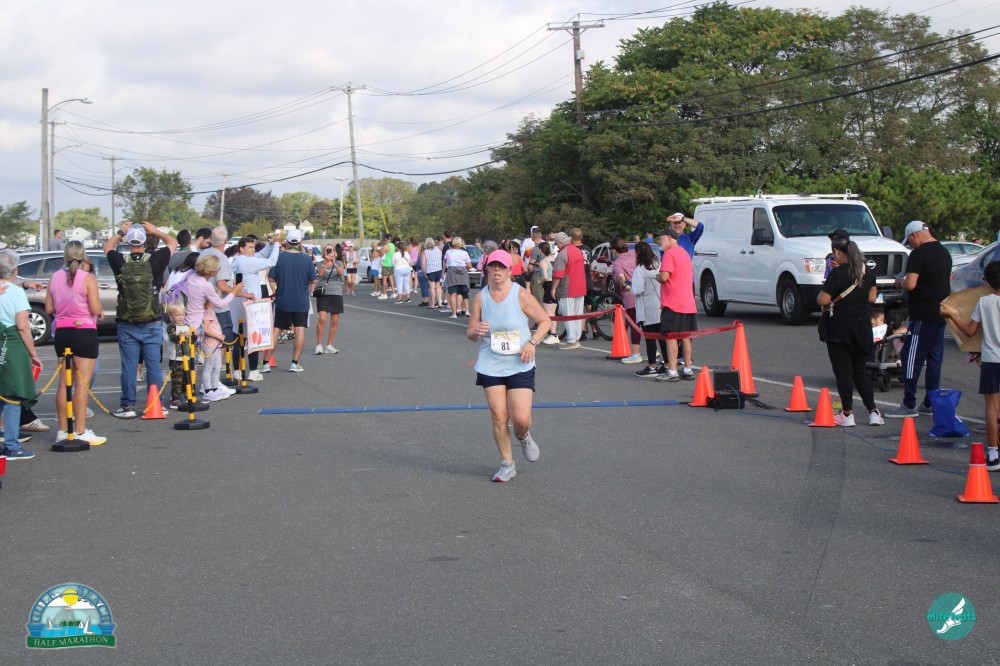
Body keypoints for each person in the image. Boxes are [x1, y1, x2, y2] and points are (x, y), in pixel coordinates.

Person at [467, 250, 552, 482]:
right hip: (490, 363)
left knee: (521, 419)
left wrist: (532, 343)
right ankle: (507, 464)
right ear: (486, 269)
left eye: (501, 267)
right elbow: (470, 332)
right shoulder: (480, 297)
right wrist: (476, 331)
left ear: (509, 270)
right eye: (493, 266)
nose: (496, 270)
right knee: (499, 416)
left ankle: (523, 436)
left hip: (520, 362)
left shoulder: (520, 294)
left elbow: (545, 321)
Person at [104, 221, 177, 419]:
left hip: (127, 322)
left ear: (128, 241)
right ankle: (156, 403)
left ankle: (127, 405)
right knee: (154, 366)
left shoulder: (119, 260)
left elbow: (107, 246)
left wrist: (120, 232)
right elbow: (172, 242)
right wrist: (155, 230)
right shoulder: (156, 259)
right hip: (151, 320)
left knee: (129, 367)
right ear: (145, 240)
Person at [885, 221, 952, 418]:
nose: (911, 244)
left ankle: (909, 403)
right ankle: (930, 402)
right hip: (941, 312)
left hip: (922, 313)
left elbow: (911, 284)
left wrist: (900, 282)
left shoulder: (919, 254)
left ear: (914, 235)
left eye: (910, 241)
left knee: (910, 357)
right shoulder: (944, 252)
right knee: (934, 359)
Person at [44, 241, 107, 445]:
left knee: (63, 383)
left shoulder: (54, 277)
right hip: (84, 332)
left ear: (64, 256)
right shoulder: (87, 278)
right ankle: (80, 430)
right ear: (83, 256)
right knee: (82, 384)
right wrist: (98, 312)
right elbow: (95, 308)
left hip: (62, 332)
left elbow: (49, 309)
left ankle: (63, 430)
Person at [817, 235, 883, 426]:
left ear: (837, 252)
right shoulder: (867, 272)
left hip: (840, 328)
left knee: (843, 372)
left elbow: (823, 300)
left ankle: (847, 414)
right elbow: (872, 298)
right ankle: (873, 412)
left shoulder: (837, 274)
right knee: (859, 370)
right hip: (862, 327)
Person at [941, 260, 1000, 470]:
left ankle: (993, 453)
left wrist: (952, 315)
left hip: (992, 359)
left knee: (992, 408)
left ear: (988, 282)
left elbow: (969, 331)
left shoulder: (984, 302)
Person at [0, 250, 42, 459]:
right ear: (15, 270)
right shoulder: (15, 293)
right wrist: (33, 353)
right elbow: (23, 326)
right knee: (13, 395)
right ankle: (11, 444)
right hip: (12, 345)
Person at [184, 254, 243, 401]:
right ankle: (202, 391)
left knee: (190, 361)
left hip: (188, 321)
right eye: (217, 268)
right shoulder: (206, 285)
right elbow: (220, 304)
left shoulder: (191, 278)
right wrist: (234, 292)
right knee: (199, 362)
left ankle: (195, 391)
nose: (219, 270)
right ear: (210, 271)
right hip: (198, 325)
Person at [230, 233, 282, 379]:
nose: (253, 249)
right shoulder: (248, 262)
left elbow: (260, 255)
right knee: (253, 338)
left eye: (253, 247)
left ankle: (237, 371)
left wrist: (270, 244)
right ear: (241, 249)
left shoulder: (237, 259)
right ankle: (253, 371)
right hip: (250, 303)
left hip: (238, 302)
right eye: (250, 247)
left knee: (238, 337)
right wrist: (277, 245)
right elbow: (272, 261)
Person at [269, 229, 317, 372]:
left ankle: (265, 362)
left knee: (277, 329)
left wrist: (275, 291)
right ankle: (294, 363)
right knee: (300, 329)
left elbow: (271, 278)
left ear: (287, 242)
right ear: (300, 242)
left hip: (283, 299)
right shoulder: (306, 258)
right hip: (301, 300)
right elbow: (313, 279)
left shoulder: (280, 257)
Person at [655, 228, 697, 381]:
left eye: (661, 239)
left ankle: (672, 371)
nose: (659, 242)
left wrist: (657, 276)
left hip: (673, 303)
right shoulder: (684, 253)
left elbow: (664, 277)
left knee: (671, 336)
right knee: (686, 337)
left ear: (668, 237)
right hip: (688, 303)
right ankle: (687, 369)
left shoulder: (669, 254)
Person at [632, 240, 667, 377]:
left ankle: (652, 366)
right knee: (662, 338)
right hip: (661, 306)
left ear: (638, 253)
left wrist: (629, 288)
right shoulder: (658, 265)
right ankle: (667, 364)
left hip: (647, 308)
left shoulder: (640, 269)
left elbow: (637, 290)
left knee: (650, 338)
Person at [550, 231, 586, 350]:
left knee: (568, 314)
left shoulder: (562, 254)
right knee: (577, 315)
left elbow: (558, 274)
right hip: (580, 286)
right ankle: (576, 338)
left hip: (567, 288)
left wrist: (554, 288)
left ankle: (571, 340)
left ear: (559, 242)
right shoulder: (577, 251)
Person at [611, 238, 643, 363]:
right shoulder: (635, 254)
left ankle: (636, 354)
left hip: (631, 295)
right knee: (648, 325)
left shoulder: (618, 263)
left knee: (634, 324)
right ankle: (654, 350)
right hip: (645, 293)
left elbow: (620, 277)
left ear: (614, 250)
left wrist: (624, 285)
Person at [314, 243, 344, 354]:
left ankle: (329, 345)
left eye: (331, 250)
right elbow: (320, 274)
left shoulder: (339, 262)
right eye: (327, 250)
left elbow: (341, 273)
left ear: (335, 252)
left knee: (335, 320)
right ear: (323, 252)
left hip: (336, 292)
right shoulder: (320, 263)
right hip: (324, 292)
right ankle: (319, 345)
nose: (329, 252)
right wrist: (326, 263)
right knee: (322, 318)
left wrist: (334, 263)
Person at [164, 302, 192, 409]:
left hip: (187, 357)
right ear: (171, 316)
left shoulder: (187, 326)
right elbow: (174, 338)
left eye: (182, 314)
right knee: (177, 379)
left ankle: (186, 395)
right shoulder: (171, 327)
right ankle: (175, 398)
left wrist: (194, 335)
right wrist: (183, 335)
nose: (180, 317)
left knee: (187, 378)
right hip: (176, 358)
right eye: (177, 315)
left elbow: (191, 341)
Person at [536, 242, 559, 345]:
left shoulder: (543, 262)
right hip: (556, 285)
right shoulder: (554, 259)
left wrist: (539, 282)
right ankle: (553, 334)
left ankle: (553, 334)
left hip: (548, 285)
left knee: (549, 312)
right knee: (553, 312)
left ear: (540, 250)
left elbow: (545, 277)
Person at [443, 237, 472, 318]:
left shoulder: (448, 252)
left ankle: (454, 313)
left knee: (453, 293)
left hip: (452, 272)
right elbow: (469, 266)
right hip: (463, 272)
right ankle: (467, 311)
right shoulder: (464, 253)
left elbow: (445, 260)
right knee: (464, 292)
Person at [379, 234, 395, 301]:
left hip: (385, 264)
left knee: (384, 279)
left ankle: (384, 294)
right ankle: (393, 293)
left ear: (385, 239)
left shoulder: (385, 246)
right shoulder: (393, 245)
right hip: (391, 264)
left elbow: (381, 255)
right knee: (391, 279)